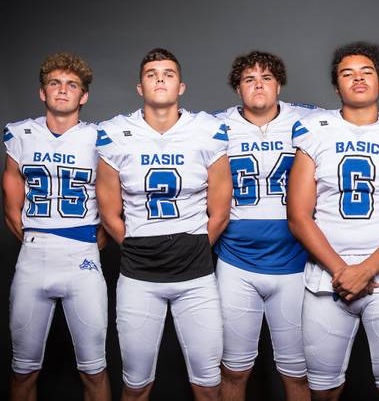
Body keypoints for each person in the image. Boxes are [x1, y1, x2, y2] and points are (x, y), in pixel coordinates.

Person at [287, 41, 379, 401]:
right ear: (337, 87)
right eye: (347, 74)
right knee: (323, 391)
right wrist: (341, 270)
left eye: (367, 72)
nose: (358, 79)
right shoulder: (314, 128)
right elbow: (299, 216)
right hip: (325, 279)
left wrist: (366, 270)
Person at [95, 48, 232, 401]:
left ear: (181, 86)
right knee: (136, 386)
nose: (160, 78)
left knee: (208, 385)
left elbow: (220, 209)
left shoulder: (207, 130)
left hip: (196, 273)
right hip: (139, 275)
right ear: (140, 87)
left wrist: (196, 246)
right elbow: (109, 211)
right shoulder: (114, 132)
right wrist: (141, 245)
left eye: (168, 73)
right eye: (152, 73)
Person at [3, 52, 111, 401]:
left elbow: (113, 203)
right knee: (23, 368)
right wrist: (40, 240)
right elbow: (11, 208)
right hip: (33, 259)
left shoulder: (101, 138)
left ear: (84, 96)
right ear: (42, 92)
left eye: (71, 85)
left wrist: (85, 244)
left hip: (83, 259)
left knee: (94, 369)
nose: (62, 90)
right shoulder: (21, 135)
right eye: (54, 83)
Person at [214, 51, 313, 400]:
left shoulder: (308, 121)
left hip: (295, 263)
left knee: (298, 373)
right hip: (236, 262)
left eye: (266, 78)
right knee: (233, 369)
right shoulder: (214, 126)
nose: (258, 85)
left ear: (279, 84)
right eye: (249, 79)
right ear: (237, 88)